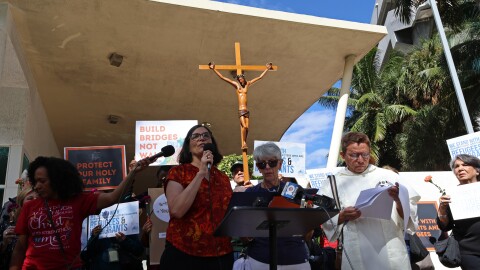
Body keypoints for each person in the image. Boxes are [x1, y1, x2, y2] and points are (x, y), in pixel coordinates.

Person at [10, 156, 149, 270]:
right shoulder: (30, 207)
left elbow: (113, 198)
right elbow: (19, 249)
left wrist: (132, 173)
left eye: (42, 181)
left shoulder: (79, 201)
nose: (37, 186)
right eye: (36, 181)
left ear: (57, 179)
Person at [319, 132, 420, 270]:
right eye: (354, 155)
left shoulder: (388, 176)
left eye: (365, 154)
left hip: (391, 250)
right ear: (343, 156)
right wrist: (342, 216)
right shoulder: (332, 183)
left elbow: (409, 216)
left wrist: (398, 200)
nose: (360, 160)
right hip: (356, 252)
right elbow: (321, 216)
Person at [158, 124, 233, 270]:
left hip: (221, 254)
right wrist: (201, 172)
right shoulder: (178, 172)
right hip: (184, 253)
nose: (201, 138)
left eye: (206, 135)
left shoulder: (223, 177)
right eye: (196, 136)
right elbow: (177, 210)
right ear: (189, 145)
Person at [245, 142, 310, 270]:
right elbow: (244, 235)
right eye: (262, 164)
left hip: (295, 258)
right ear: (258, 167)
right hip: (260, 258)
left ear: (280, 164)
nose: (267, 167)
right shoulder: (250, 193)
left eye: (272, 162)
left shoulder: (296, 191)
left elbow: (308, 230)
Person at [208, 62, 273, 150]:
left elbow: (259, 77)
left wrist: (267, 69)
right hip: (241, 110)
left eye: (241, 79)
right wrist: (214, 69)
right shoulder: (236, 85)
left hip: (247, 110)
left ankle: (244, 143)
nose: (240, 80)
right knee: (244, 126)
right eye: (239, 79)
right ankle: (244, 142)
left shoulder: (247, 84)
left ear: (244, 78)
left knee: (247, 128)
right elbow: (223, 78)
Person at [436, 154, 480, 270]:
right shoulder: (450, 195)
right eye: (456, 166)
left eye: (465, 165)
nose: (460, 168)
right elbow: (445, 226)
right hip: (469, 251)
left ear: (477, 171)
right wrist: (442, 208)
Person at [1, 188, 38, 270]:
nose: (35, 201)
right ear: (21, 203)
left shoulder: (45, 223)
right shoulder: (9, 224)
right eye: (30, 198)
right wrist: (4, 243)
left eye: (38, 198)